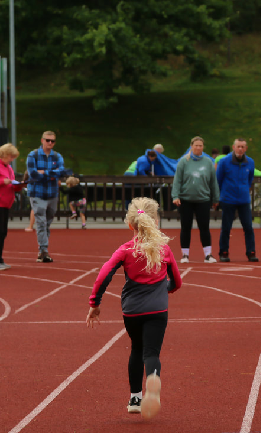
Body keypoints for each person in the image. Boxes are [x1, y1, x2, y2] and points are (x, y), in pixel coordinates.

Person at [86, 197, 181, 420]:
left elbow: (103, 275)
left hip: (132, 311)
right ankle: (153, 380)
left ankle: (135, 399)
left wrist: (94, 303)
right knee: (151, 353)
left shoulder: (125, 250)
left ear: (130, 225)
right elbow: (177, 281)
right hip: (157, 309)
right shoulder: (164, 249)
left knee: (136, 349)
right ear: (156, 221)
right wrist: (165, 288)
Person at [172, 136, 220, 263]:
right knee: (186, 227)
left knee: (204, 227)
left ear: (203, 147)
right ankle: (185, 255)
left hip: (203, 200)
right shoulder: (183, 161)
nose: (198, 147)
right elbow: (177, 180)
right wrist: (175, 196)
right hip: (185, 200)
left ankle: (208, 255)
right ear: (191, 146)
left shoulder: (208, 162)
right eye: (196, 145)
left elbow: (213, 182)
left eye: (200, 145)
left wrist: (216, 198)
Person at [216, 138, 259, 262]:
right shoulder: (224, 162)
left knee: (248, 227)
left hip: (244, 200)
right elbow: (218, 179)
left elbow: (250, 179)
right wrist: (221, 195)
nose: (240, 149)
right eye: (238, 146)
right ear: (233, 147)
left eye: (242, 147)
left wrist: (244, 189)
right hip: (228, 199)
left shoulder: (250, 162)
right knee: (226, 227)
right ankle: (224, 252)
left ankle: (251, 252)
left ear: (246, 148)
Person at [26, 131, 66, 263]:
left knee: (47, 223)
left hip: (52, 194)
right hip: (37, 193)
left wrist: (44, 172)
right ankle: (43, 250)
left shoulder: (57, 156)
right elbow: (33, 174)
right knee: (41, 222)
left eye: (52, 141)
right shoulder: (33, 155)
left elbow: (61, 172)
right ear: (42, 140)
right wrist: (52, 175)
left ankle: (42, 250)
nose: (50, 143)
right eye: (47, 140)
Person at [0, 144, 25, 271]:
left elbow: (12, 184)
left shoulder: (9, 168)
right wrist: (2, 181)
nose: (12, 159)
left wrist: (19, 186)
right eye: (11, 157)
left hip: (6, 203)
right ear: (4, 154)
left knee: (3, 232)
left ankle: (0, 259)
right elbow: (3, 182)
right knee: (0, 231)